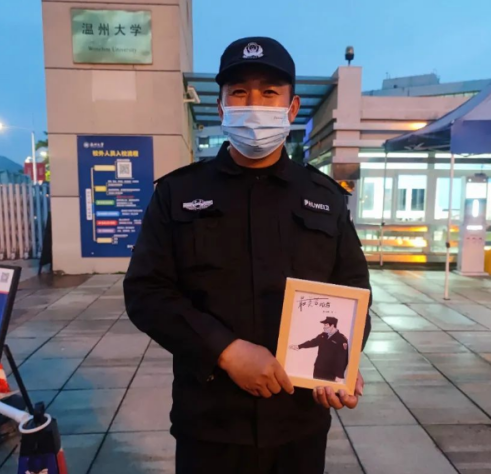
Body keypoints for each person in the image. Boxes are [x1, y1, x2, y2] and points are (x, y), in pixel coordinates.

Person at [124, 36, 372, 475]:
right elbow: (146, 291)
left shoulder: (325, 199)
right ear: (221, 107)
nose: (254, 104)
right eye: (239, 92)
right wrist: (225, 350)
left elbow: (353, 289)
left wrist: (344, 362)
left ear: (292, 108)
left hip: (298, 423)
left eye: (269, 92)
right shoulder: (178, 194)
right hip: (211, 423)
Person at [290, 317, 349, 383]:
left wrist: (339, 375)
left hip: (330, 373)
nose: (324, 327)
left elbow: (343, 359)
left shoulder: (341, 339)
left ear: (332, 325)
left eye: (325, 325)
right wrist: (299, 346)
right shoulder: (323, 335)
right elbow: (312, 342)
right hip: (318, 369)